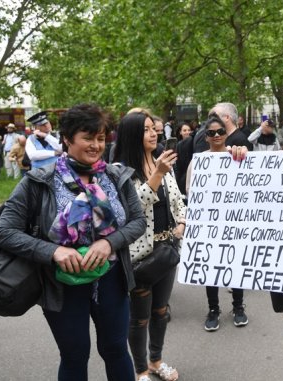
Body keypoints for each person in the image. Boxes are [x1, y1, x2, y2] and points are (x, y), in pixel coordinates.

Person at [0, 104, 147, 381]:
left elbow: (138, 222)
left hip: (111, 280)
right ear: (67, 138)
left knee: (115, 350)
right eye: (88, 138)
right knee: (75, 355)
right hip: (61, 285)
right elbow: (4, 231)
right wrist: (54, 251)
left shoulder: (115, 176)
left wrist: (109, 243)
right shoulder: (39, 181)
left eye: (101, 138)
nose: (96, 145)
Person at [112, 112, 185, 381]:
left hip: (167, 252)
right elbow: (132, 210)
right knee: (139, 317)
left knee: (161, 311)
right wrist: (157, 174)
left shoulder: (161, 163)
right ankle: (140, 369)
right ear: (133, 135)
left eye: (154, 129)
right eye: (146, 130)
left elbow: (177, 200)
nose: (154, 134)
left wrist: (182, 224)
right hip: (140, 257)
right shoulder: (120, 172)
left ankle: (156, 361)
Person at [186, 116, 250, 331]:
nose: (216, 136)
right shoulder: (198, 162)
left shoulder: (237, 155)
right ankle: (213, 309)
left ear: (226, 133)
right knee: (210, 266)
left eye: (220, 131)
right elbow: (190, 191)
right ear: (206, 137)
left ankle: (238, 307)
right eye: (211, 132)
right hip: (208, 222)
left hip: (234, 221)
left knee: (235, 263)